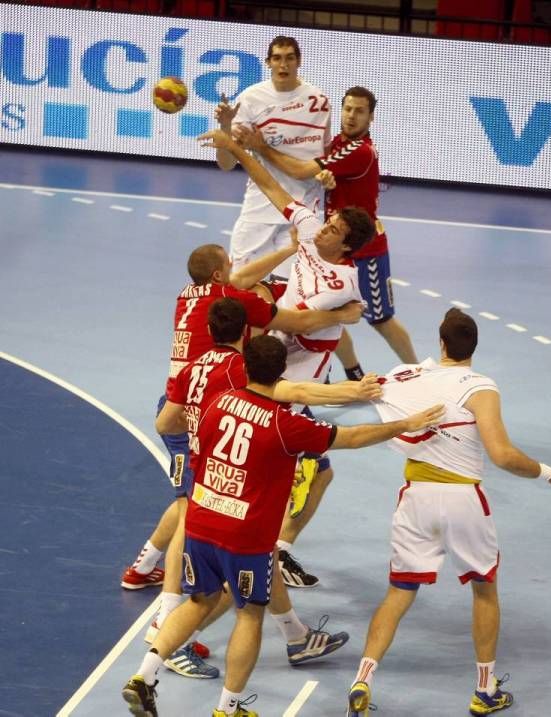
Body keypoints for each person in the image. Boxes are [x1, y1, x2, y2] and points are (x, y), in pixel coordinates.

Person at [122, 333, 445, 717]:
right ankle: (228, 708)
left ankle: (144, 675)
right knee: (249, 614)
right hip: (245, 535)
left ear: (245, 368)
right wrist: (405, 423)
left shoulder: (214, 403)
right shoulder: (284, 423)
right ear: (282, 373)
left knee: (198, 602)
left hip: (201, 521)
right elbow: (353, 437)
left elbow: (201, 452)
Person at [121, 241, 363, 649]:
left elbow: (238, 280)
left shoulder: (192, 295)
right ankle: (166, 621)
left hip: (181, 404)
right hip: (198, 414)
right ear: (222, 278)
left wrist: (288, 248)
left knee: (199, 508)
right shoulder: (236, 361)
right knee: (191, 512)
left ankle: (144, 567)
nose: (239, 272)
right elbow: (299, 326)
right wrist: (343, 317)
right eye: (231, 267)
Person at [346, 308, 551, 717]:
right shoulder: (480, 386)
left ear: (441, 343)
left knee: (399, 592)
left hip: (415, 498)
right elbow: (502, 455)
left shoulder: (406, 376)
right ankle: (485, 691)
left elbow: (353, 408)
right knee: (484, 590)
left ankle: (363, 677)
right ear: (474, 346)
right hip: (463, 501)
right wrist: (549, 473)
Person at [154, 297, 383, 679]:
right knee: (229, 578)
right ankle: (173, 640)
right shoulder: (237, 372)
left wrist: (201, 436)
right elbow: (301, 394)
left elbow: (165, 423)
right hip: (231, 471)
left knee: (256, 555)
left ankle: (295, 636)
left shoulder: (197, 365)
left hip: (212, 461)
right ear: (246, 333)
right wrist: (356, 391)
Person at [199, 126, 376, 588]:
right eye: (328, 223)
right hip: (278, 387)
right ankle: (261, 551)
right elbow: (273, 187)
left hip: (287, 381)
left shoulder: (343, 284)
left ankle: (272, 548)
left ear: (347, 247)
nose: (323, 229)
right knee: (294, 474)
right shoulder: (313, 234)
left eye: (334, 230)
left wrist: (266, 302)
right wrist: (237, 149)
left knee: (314, 473)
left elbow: (293, 321)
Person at [234, 85, 417, 378]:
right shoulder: (336, 144)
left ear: (371, 118)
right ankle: (352, 371)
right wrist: (326, 180)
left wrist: (260, 146)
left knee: (381, 320)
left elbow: (299, 170)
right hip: (334, 246)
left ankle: (418, 372)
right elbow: (320, 175)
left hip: (364, 251)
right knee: (329, 315)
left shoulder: (360, 150)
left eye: (359, 111)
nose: (351, 116)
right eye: (347, 109)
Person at [214, 35, 331, 278]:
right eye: (277, 58)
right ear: (268, 63)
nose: (283, 65)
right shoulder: (250, 99)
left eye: (289, 58)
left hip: (299, 213)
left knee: (288, 295)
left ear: (299, 62)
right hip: (258, 210)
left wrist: (262, 147)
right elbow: (226, 164)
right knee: (239, 287)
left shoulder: (317, 102)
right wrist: (225, 128)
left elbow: (321, 159)